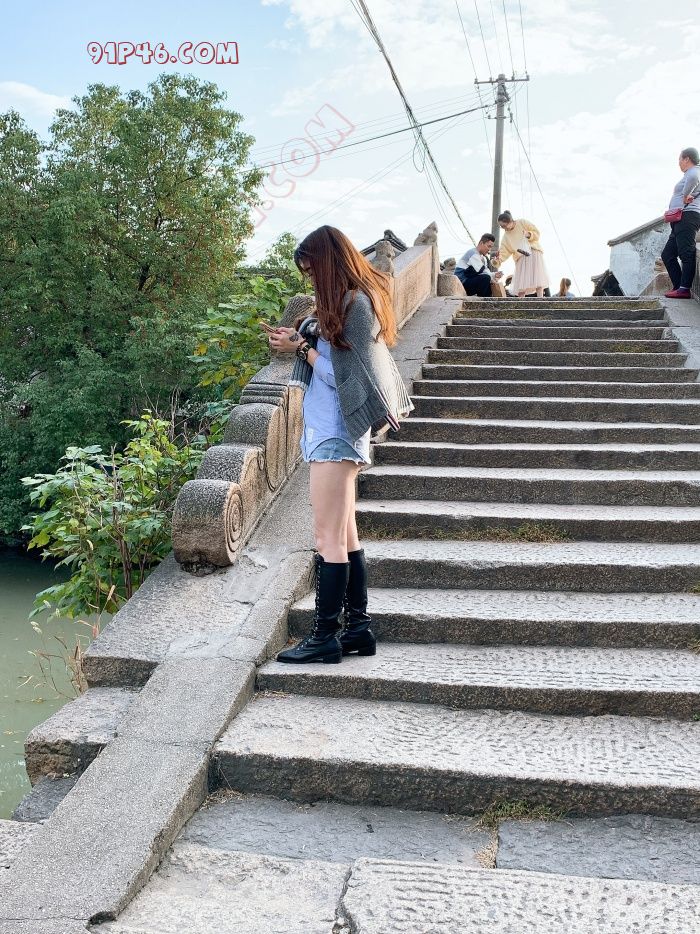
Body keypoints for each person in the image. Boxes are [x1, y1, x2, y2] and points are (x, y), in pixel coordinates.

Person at [267, 225, 411, 664]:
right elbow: (337, 365)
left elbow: (349, 381)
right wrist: (302, 340)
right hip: (329, 432)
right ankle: (358, 630)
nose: (311, 279)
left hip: (336, 431)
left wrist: (303, 350)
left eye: (313, 270)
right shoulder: (345, 305)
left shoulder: (356, 306)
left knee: (326, 536)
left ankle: (324, 637)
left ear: (329, 263)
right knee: (345, 537)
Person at [661, 147, 700, 299]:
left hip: (688, 216)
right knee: (668, 254)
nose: (678, 163)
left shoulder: (694, 171)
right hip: (680, 218)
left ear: (687, 159)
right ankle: (679, 286)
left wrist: (685, 196)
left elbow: (694, 178)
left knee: (686, 252)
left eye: (680, 159)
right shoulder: (690, 172)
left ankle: (684, 289)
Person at [493, 210, 549, 298]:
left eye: (504, 225)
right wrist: (498, 260)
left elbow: (536, 232)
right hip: (520, 257)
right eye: (501, 227)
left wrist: (529, 234)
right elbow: (504, 251)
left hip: (534, 252)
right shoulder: (506, 236)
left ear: (510, 221)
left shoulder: (522, 222)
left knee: (538, 279)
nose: (504, 228)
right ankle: (520, 302)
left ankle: (540, 299)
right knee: (521, 285)